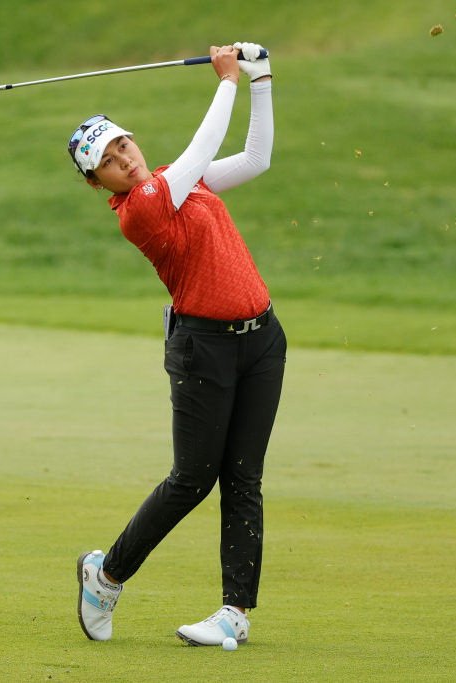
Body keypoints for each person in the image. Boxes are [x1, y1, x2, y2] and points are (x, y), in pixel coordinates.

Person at [71, 42, 285, 647]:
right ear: (96, 182)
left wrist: (262, 81)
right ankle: (105, 576)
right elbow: (200, 152)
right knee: (192, 479)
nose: (124, 159)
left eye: (123, 145)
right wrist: (227, 81)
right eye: (108, 161)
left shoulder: (176, 181)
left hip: (262, 341)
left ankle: (235, 613)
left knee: (243, 478)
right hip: (203, 349)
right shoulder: (139, 209)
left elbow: (258, 159)